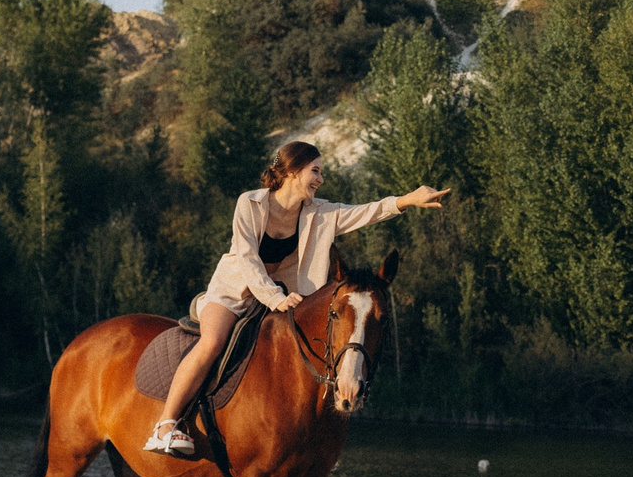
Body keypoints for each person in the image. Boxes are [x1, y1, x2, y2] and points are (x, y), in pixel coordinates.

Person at [144, 141, 448, 457]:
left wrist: (408, 200)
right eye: (315, 171)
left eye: (321, 173)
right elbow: (247, 257)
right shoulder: (250, 203)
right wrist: (274, 297)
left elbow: (365, 212)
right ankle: (166, 426)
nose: (320, 179)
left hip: (287, 297)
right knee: (212, 342)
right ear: (291, 171)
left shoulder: (321, 212)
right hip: (235, 292)